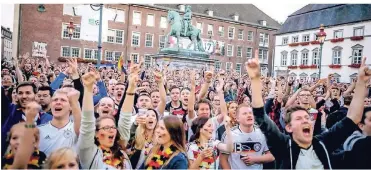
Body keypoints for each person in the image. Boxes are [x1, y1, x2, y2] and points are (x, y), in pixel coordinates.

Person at [250, 53, 369, 168]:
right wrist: (255, 79)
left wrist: (361, 82)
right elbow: (261, 116)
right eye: (299, 118)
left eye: (307, 118)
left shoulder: (323, 143)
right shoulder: (284, 146)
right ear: (289, 127)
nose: (305, 121)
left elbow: (353, 118)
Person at [78, 68, 136, 169]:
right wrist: (88, 89)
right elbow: (87, 121)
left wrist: (131, 89)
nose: (111, 131)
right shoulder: (88, 152)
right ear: (95, 133)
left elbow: (125, 119)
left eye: (113, 127)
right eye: (106, 128)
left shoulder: (121, 152)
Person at [38, 87, 81, 156]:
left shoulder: (76, 129)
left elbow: (84, 129)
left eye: (63, 100)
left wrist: (74, 102)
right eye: (55, 100)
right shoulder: (38, 130)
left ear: (71, 107)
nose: (58, 102)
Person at [2, 102, 47, 169]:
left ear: (36, 141)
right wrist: (29, 120)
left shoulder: (43, 160)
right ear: (9, 141)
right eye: (14, 138)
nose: (19, 142)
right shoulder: (3, 162)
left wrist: (30, 121)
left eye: (24, 138)